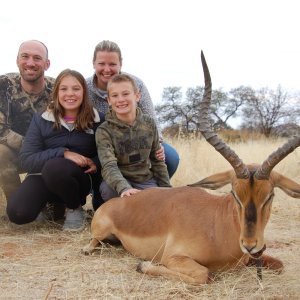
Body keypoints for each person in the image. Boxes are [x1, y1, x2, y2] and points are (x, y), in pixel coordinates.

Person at [6, 69, 104, 231]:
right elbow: (26, 159)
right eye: (64, 89)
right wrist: (63, 152)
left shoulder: (98, 119)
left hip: (79, 179)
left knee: (56, 168)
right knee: (17, 213)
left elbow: (107, 152)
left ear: (84, 92)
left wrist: (95, 162)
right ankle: (47, 205)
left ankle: (74, 208)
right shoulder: (41, 118)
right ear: (56, 92)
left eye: (76, 88)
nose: (70, 94)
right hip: (42, 177)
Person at [86, 40, 180, 178]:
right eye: (101, 64)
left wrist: (157, 146)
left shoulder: (136, 84)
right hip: (100, 145)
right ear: (94, 64)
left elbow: (151, 119)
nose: (107, 69)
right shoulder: (84, 88)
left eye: (112, 64)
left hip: (136, 142)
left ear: (120, 64)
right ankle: (99, 192)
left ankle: (150, 192)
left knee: (169, 158)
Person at [96, 74, 171, 201]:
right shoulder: (104, 130)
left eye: (125, 94)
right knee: (108, 191)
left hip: (145, 180)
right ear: (109, 100)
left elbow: (157, 160)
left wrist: (167, 189)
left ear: (137, 96)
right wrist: (124, 188)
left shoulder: (149, 123)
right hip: (119, 182)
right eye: (115, 96)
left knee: (159, 202)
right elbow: (109, 166)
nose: (120, 99)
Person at [0, 40, 54, 202]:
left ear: (47, 64)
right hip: (16, 152)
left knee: (54, 214)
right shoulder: (3, 85)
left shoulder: (58, 89)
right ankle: (16, 204)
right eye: (25, 56)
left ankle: (54, 202)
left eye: (37, 58)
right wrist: (31, 146)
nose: (30, 63)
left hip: (47, 154)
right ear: (17, 60)